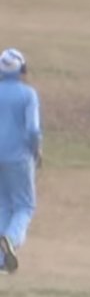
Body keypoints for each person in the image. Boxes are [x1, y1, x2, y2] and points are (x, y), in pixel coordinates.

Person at [0, 48, 41, 274]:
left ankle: (1, 260)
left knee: (4, 205)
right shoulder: (28, 95)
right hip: (18, 157)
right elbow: (32, 130)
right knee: (25, 206)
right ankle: (11, 240)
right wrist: (36, 151)